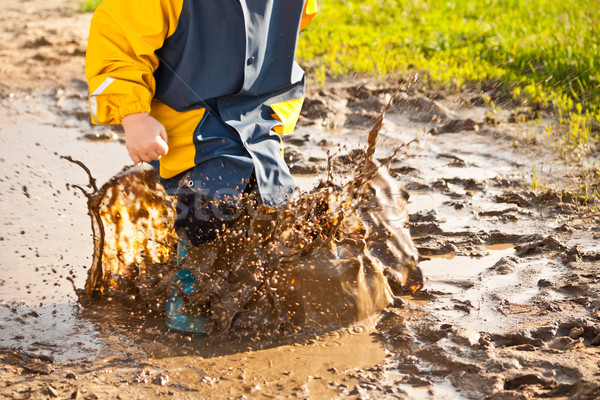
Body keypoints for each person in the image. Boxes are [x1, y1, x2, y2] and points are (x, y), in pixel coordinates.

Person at [85, 0, 318, 332]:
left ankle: (256, 290)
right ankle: (190, 292)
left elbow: (294, 21)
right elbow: (119, 42)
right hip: (187, 113)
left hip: (255, 114)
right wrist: (134, 116)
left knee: (276, 201)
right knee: (210, 197)